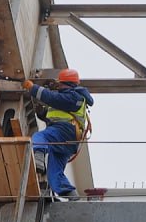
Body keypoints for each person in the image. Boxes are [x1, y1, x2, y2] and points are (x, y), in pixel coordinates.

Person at [23, 69, 93, 200]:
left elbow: (53, 98)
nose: (58, 86)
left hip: (65, 131)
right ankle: (72, 196)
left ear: (67, 84)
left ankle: (38, 159)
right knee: (54, 174)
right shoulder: (66, 99)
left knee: (39, 138)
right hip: (66, 140)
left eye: (60, 84)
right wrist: (41, 113)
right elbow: (55, 114)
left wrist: (34, 88)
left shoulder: (75, 97)